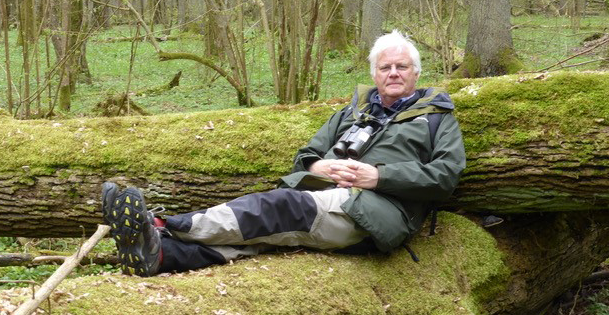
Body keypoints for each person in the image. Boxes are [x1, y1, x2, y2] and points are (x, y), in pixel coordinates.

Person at [100, 30, 466, 277]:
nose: (393, 73)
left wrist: (379, 176)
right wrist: (321, 164)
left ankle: (165, 225)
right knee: (257, 241)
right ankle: (159, 255)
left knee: (281, 207)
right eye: (385, 67)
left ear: (416, 72)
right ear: (374, 73)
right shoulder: (353, 112)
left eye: (402, 66)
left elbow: (446, 177)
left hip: (377, 213)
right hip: (325, 197)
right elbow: (306, 156)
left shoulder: (436, 117)